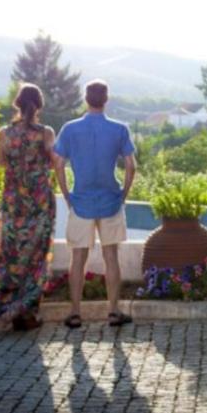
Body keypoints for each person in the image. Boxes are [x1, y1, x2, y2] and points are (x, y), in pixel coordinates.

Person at [0, 83, 57, 331]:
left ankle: (5, 307)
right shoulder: (45, 133)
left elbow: (1, 162)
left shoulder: (4, 133)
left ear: (17, 104)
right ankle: (26, 313)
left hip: (13, 203)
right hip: (39, 202)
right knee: (35, 256)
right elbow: (53, 162)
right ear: (39, 105)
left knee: (9, 254)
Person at [53, 79, 136, 328]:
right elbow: (131, 165)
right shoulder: (120, 129)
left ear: (85, 99)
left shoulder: (69, 129)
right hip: (110, 200)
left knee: (78, 258)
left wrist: (67, 195)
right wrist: (124, 194)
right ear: (106, 99)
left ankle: (75, 313)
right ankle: (113, 312)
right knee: (111, 257)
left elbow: (58, 163)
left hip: (81, 202)